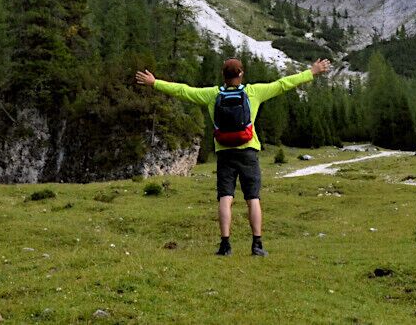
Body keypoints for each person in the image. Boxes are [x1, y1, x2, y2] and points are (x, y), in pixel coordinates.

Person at [135, 56, 332, 256]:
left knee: (225, 197)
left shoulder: (212, 95)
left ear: (223, 75)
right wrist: (312, 72)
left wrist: (155, 83)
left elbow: (184, 90)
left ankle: (225, 245)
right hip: (248, 151)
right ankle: (257, 245)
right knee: (253, 198)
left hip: (224, 151)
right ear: (241, 74)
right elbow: (283, 84)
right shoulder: (253, 92)